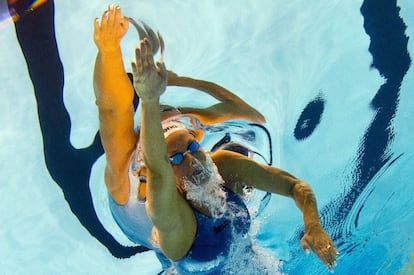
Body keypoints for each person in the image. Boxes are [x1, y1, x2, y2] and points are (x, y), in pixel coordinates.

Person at [93, 5, 338, 274]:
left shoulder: (215, 161)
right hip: (161, 233)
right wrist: (109, 51)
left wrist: (313, 223)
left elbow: (293, 183)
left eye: (192, 146)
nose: (192, 161)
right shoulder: (132, 181)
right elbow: (112, 112)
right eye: (174, 158)